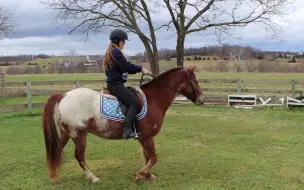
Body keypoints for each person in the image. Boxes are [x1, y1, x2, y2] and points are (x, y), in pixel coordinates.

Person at [103, 29, 151, 139]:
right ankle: (127, 130)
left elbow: (120, 68)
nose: (124, 43)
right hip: (116, 86)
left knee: (133, 94)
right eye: (123, 41)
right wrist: (141, 69)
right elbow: (126, 66)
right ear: (117, 40)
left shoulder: (112, 52)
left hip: (115, 84)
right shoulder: (116, 52)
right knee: (134, 103)